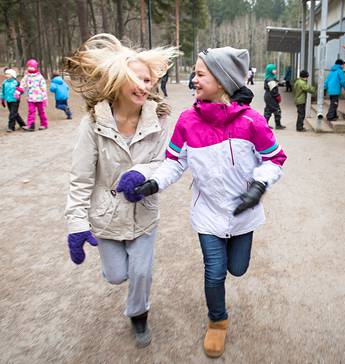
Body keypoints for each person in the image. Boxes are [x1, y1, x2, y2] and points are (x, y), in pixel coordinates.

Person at [117, 47, 287, 358]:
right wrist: (154, 183)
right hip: (207, 213)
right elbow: (174, 162)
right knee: (214, 271)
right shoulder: (187, 121)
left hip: (243, 214)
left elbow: (274, 159)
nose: (193, 80)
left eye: (199, 74)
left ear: (222, 81)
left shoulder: (252, 121)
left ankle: (225, 295)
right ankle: (217, 321)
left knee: (237, 268)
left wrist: (259, 186)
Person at [64, 33, 178, 348]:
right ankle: (120, 277)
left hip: (143, 213)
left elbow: (164, 162)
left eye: (148, 80)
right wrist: (76, 224)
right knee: (116, 275)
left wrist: (140, 173)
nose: (144, 86)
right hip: (105, 216)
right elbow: (81, 178)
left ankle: (138, 313)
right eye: (137, 80)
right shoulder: (92, 124)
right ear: (117, 81)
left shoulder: (159, 120)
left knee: (141, 272)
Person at [16, 59, 48, 131]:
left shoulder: (40, 77)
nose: (30, 68)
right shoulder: (27, 76)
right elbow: (22, 84)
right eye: (29, 66)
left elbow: (43, 87)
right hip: (30, 98)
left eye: (31, 66)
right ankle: (31, 125)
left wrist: (45, 98)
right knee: (31, 111)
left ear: (35, 67)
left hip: (39, 98)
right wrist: (18, 92)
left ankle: (44, 124)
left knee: (41, 112)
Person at [263, 63, 286, 129]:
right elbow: (273, 90)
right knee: (277, 110)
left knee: (268, 110)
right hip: (271, 97)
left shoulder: (269, 78)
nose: (275, 70)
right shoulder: (270, 79)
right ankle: (278, 125)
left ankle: (264, 125)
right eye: (274, 69)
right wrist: (277, 96)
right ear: (270, 70)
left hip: (268, 96)